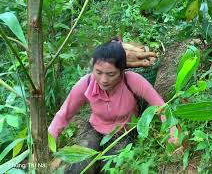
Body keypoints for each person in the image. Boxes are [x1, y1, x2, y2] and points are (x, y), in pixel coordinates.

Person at [48, 38, 173, 173]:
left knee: (110, 168)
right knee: (80, 166)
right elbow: (64, 114)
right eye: (98, 72)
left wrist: (173, 134)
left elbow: (161, 107)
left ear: (122, 71)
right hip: (94, 128)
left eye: (111, 74)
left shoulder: (133, 81)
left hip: (123, 132)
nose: (103, 80)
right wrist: (48, 140)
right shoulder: (86, 83)